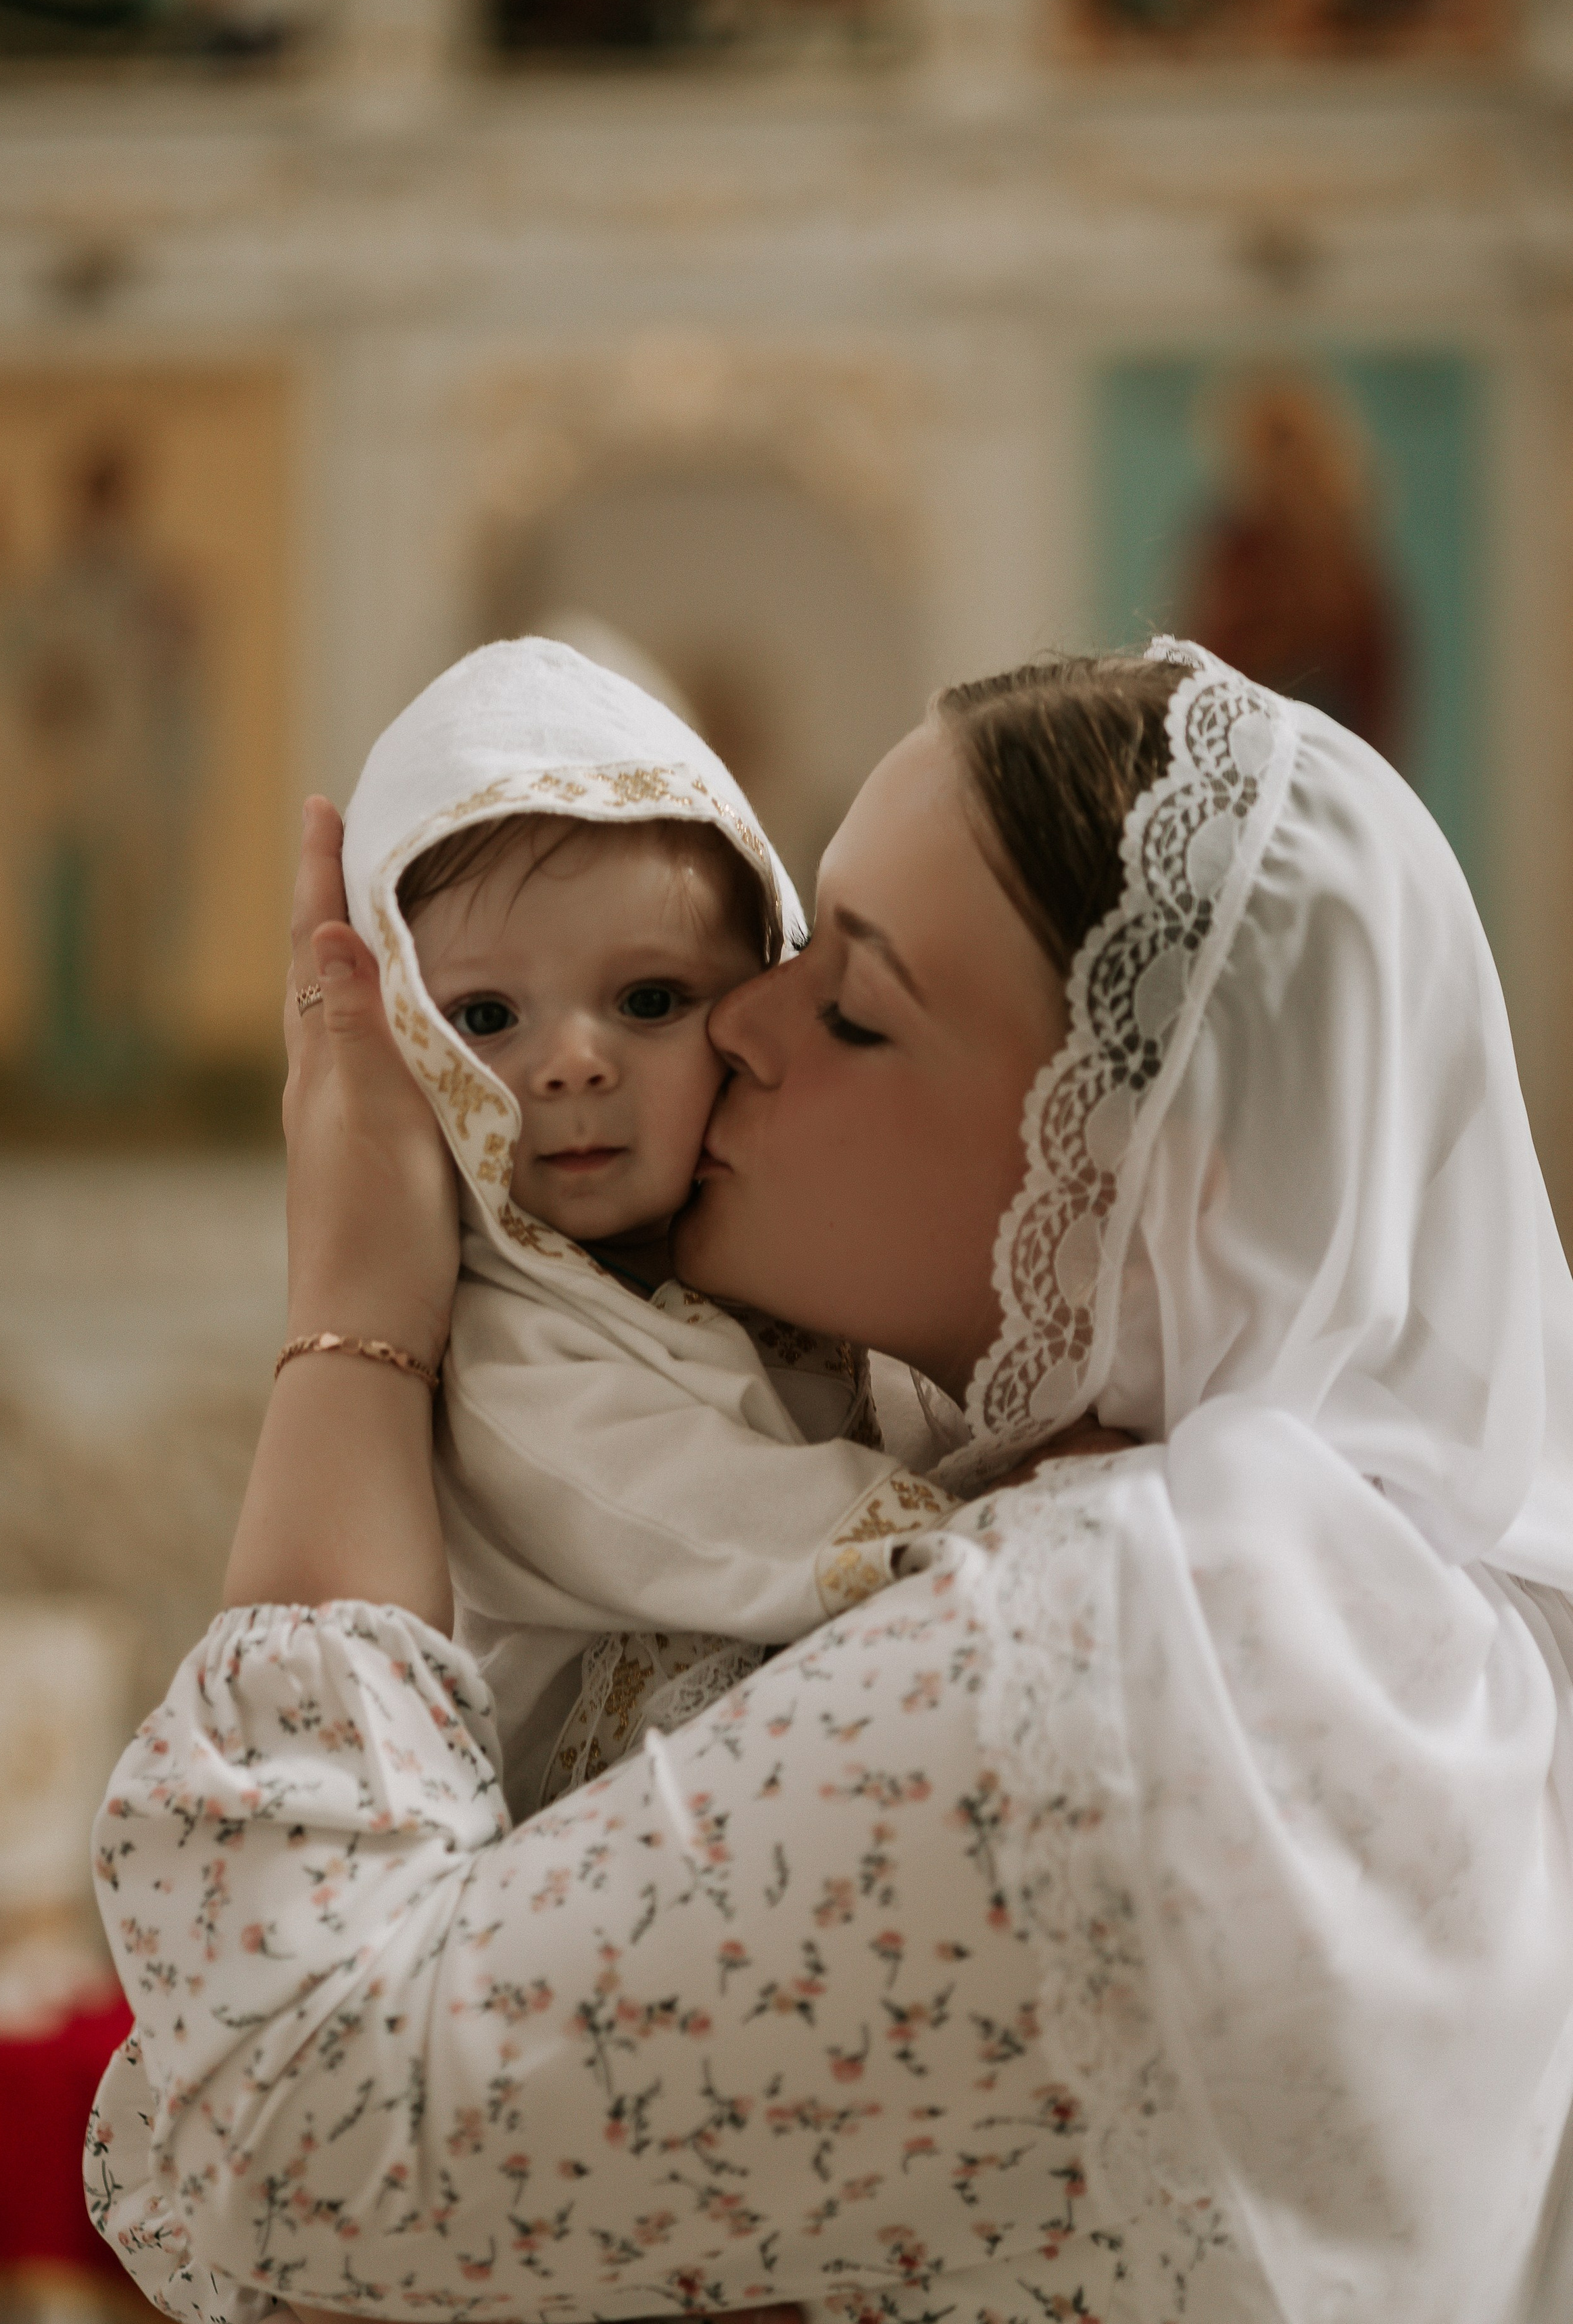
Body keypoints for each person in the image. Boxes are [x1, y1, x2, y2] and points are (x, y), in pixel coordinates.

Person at [86, 640, 1573, 2324]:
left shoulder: (1124, 1644)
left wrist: (354, 1312)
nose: (738, 1018)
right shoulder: (1360, 1609)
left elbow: (289, 2124)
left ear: (1151, 1185)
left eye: (851, 1003)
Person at [338, 638, 948, 1815]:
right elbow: (692, 1508)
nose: (571, 1065)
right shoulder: (501, 1337)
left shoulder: (789, 1247)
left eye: (651, 1000)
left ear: (766, 985)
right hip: (610, 1826)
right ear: (405, 1043)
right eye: (486, 1016)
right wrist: (970, 1536)